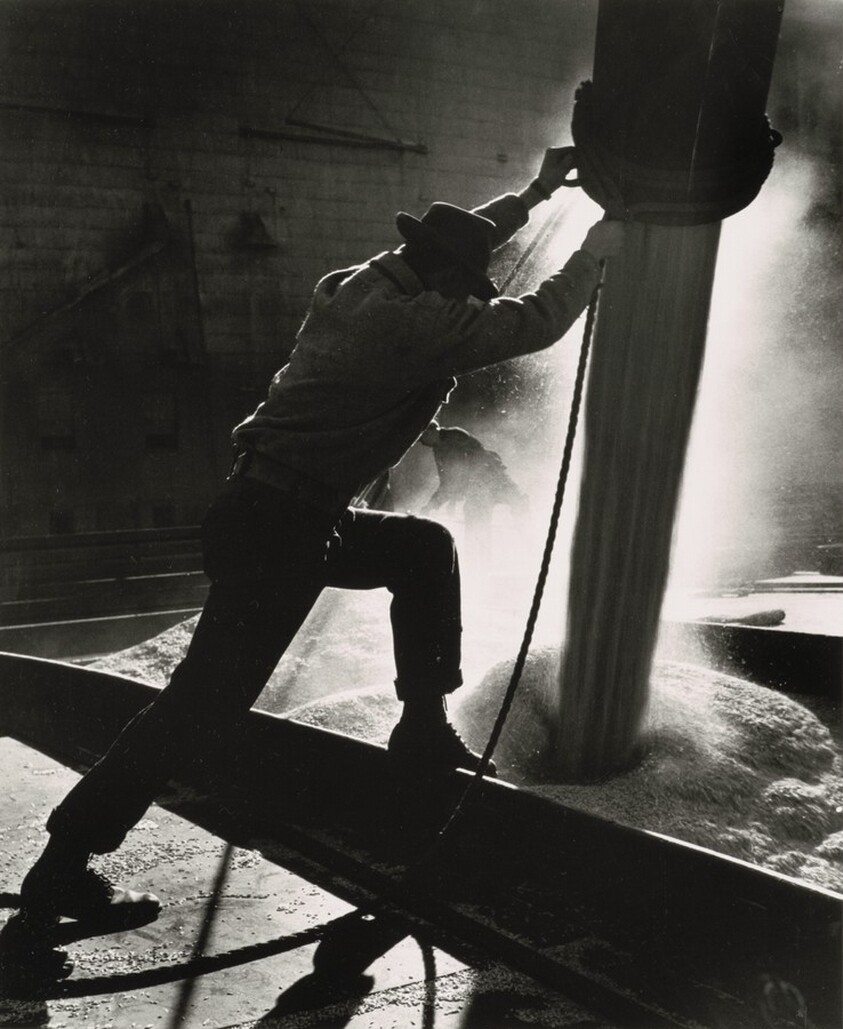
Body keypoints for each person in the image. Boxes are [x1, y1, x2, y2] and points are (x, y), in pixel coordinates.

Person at [10, 147, 624, 972]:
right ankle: (64, 864)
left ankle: (421, 721)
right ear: (440, 280)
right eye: (461, 285)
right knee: (200, 707)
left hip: (273, 508)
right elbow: (537, 323)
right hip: (280, 528)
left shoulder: (361, 280)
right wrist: (598, 249)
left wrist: (540, 193)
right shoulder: (407, 324)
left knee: (420, 546)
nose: (463, 298)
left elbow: (460, 243)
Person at [420, 421, 527, 525]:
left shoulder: (453, 435)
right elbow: (446, 481)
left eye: (421, 437)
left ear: (431, 431)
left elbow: (478, 455)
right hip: (480, 483)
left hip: (489, 476)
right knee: (475, 515)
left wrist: (449, 498)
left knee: (517, 502)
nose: (421, 442)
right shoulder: (438, 449)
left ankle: (525, 527)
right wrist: (431, 505)